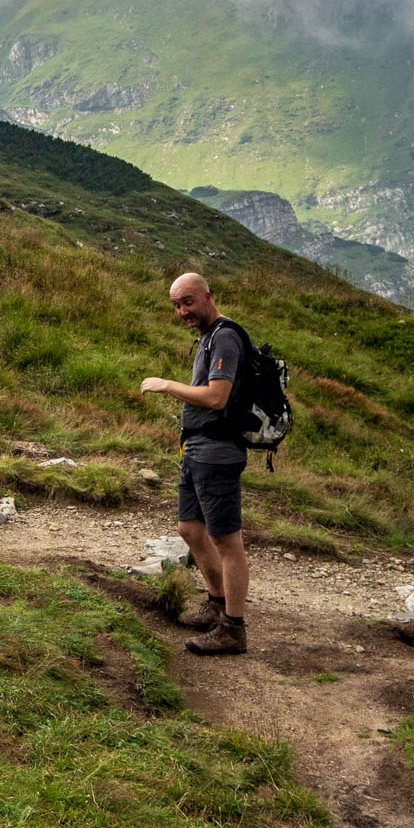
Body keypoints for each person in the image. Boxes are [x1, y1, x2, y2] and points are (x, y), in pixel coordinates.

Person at [140, 272, 250, 655]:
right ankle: (217, 605)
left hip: (218, 450)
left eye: (187, 302)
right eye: (176, 305)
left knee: (225, 538)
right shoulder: (207, 336)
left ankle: (233, 629)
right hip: (196, 448)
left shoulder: (225, 337)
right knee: (189, 529)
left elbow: (218, 397)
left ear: (207, 296)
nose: (182, 311)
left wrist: (167, 385)